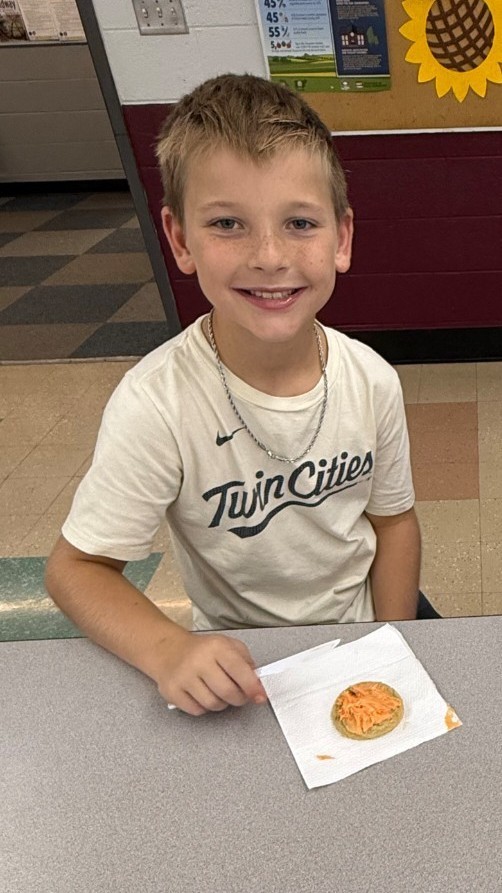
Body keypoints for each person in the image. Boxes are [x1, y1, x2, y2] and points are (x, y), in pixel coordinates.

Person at [45, 73, 428, 718]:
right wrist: (169, 649)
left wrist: (383, 644)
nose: (269, 256)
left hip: (362, 624)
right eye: (228, 223)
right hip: (243, 655)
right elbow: (75, 570)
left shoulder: (372, 381)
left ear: (341, 238)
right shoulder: (157, 405)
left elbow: (393, 524)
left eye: (299, 223)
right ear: (180, 240)